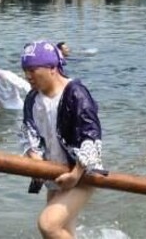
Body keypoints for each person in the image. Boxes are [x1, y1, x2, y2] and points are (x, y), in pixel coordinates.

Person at [19, 40, 104, 239]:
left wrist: (76, 173)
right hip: (54, 173)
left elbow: (90, 135)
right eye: (25, 70)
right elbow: (28, 131)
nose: (28, 76)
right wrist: (35, 161)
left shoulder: (76, 93)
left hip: (83, 174)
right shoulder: (32, 99)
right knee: (62, 232)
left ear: (52, 68)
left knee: (48, 225)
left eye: (32, 70)